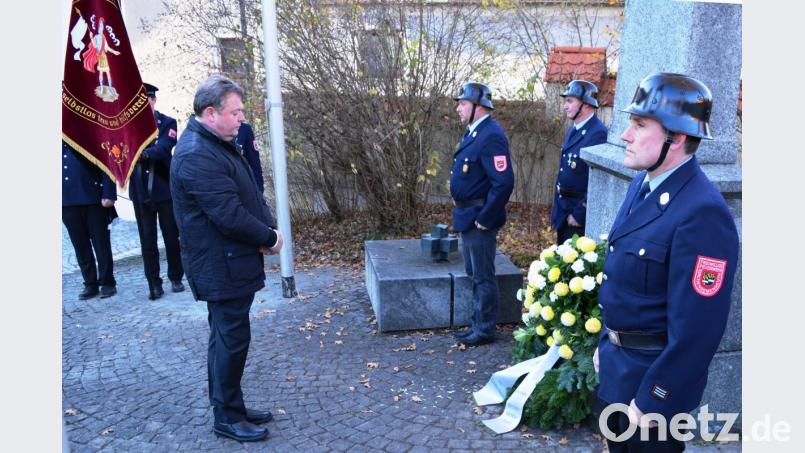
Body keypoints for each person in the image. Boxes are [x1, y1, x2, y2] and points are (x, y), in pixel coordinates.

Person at [593, 73, 739, 452]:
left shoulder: (703, 212)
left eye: (639, 125)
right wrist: (604, 343)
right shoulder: (642, 184)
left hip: (651, 393)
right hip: (618, 370)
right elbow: (619, 282)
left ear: (674, 139)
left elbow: (699, 329)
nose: (625, 134)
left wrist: (657, 397)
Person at [171, 75, 283, 442]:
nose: (240, 119)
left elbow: (243, 192)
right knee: (230, 338)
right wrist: (269, 237)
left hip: (230, 259)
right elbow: (228, 213)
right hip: (221, 265)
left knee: (225, 337)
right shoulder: (195, 153)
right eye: (235, 112)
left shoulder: (214, 142)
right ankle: (227, 417)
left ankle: (229, 404)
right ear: (209, 113)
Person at [449, 82, 515, 346]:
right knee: (473, 272)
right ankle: (477, 322)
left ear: (479, 107)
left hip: (479, 218)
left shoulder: (491, 135)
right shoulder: (474, 133)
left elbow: (504, 182)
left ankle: (485, 328)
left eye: (463, 103)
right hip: (468, 216)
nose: (458, 108)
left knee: (483, 275)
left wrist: (485, 218)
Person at [129, 83, 184, 300]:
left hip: (164, 188)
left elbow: (163, 149)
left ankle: (176, 276)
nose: (144, 105)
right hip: (140, 189)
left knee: (172, 235)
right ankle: (153, 282)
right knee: (147, 239)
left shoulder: (167, 122)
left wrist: (142, 154)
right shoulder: (128, 127)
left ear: (153, 100)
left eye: (147, 101)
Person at [550, 80, 608, 245]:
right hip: (564, 210)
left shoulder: (598, 133)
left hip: (576, 215)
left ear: (586, 105)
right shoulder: (574, 129)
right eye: (565, 101)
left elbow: (598, 180)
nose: (565, 106)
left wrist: (580, 212)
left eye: (570, 101)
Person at [62, 140, 117, 299]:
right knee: (80, 246)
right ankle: (90, 283)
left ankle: (107, 282)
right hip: (66, 202)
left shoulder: (85, 133)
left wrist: (109, 193)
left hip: (93, 198)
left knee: (101, 243)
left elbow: (107, 161)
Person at [236, 122, 265, 194]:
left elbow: (255, 164)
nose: (241, 117)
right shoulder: (208, 129)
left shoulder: (244, 129)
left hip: (241, 189)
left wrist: (259, 191)